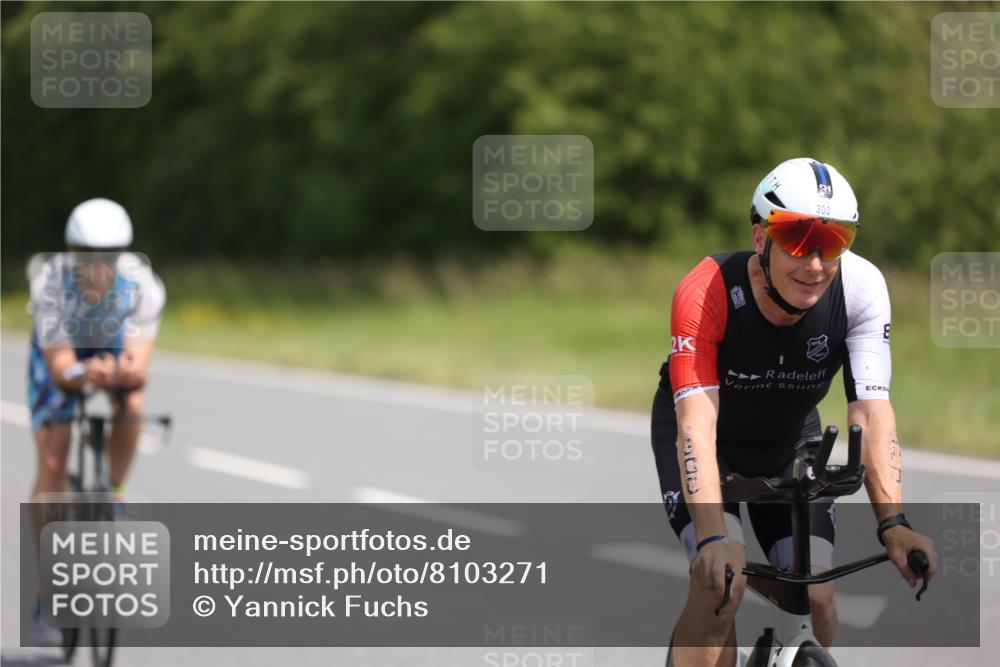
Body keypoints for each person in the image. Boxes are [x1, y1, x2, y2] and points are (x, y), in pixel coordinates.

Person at [651, 158, 937, 666]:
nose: (816, 263)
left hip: (788, 444)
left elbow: (872, 413)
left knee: (819, 596)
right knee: (722, 587)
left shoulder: (862, 288)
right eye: (799, 239)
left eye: (833, 241)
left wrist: (894, 522)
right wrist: (714, 537)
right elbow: (696, 427)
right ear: (761, 237)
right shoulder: (707, 290)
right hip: (708, 443)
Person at [27, 197, 165, 643]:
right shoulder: (50, 282)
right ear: (73, 254)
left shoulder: (142, 284)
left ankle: (114, 495)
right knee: (53, 457)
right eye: (88, 258)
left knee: (134, 408)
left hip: (109, 350)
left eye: (108, 257)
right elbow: (61, 366)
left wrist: (121, 373)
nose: (99, 268)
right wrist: (83, 374)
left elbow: (138, 362)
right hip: (61, 356)